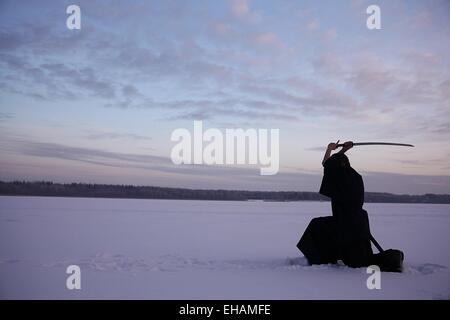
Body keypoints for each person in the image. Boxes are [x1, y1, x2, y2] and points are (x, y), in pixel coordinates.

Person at [318, 140, 373, 267]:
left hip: (344, 220)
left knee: (317, 228)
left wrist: (329, 149)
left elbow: (326, 164)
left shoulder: (338, 176)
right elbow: (333, 164)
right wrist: (343, 150)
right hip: (356, 218)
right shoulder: (355, 176)